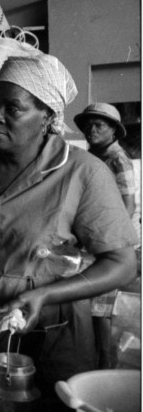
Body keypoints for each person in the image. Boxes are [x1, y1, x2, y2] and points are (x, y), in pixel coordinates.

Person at [0, 55, 138, 412]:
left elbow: (121, 263)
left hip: (49, 332)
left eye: (13, 109)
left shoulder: (82, 173)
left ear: (47, 117)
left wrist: (44, 296)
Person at [74, 102, 141, 368]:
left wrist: (106, 241)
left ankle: (105, 367)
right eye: (89, 124)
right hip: (95, 238)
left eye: (99, 125)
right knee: (93, 304)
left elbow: (129, 205)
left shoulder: (118, 158)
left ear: (113, 130)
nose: (92, 129)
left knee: (100, 307)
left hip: (110, 242)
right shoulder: (96, 157)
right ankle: (97, 361)